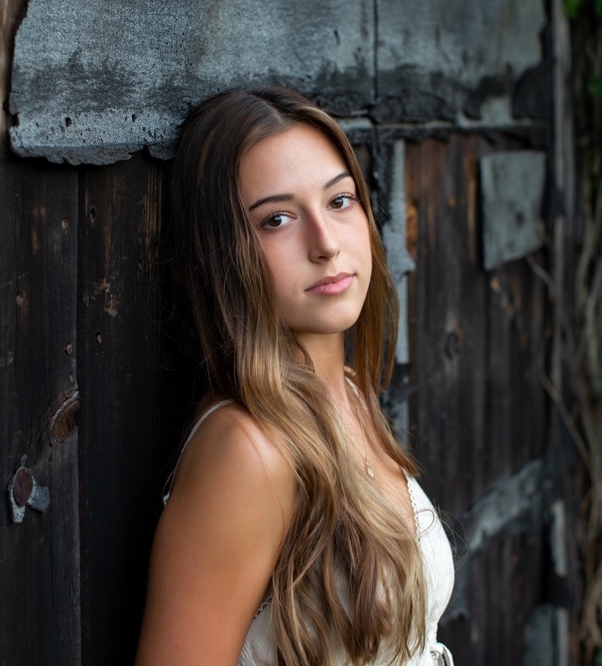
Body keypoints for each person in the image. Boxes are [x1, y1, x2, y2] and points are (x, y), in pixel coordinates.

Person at [136, 87, 454, 665]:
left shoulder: (351, 394)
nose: (327, 245)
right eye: (277, 219)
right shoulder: (249, 451)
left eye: (339, 201)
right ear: (223, 254)